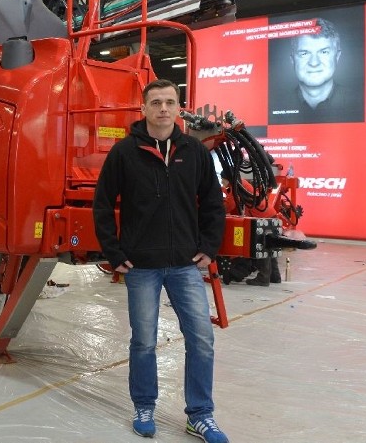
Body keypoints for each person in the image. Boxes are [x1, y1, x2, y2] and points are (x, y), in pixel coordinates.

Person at [93, 78, 229, 443]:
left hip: (185, 264)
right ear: (144, 108)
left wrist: (208, 246)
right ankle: (144, 406)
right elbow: (103, 205)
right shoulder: (124, 153)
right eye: (156, 102)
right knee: (144, 341)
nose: (163, 109)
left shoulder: (195, 152)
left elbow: (214, 204)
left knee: (201, 339)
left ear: (178, 107)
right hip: (142, 267)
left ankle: (199, 415)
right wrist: (114, 252)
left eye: (170, 102)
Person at [268, 17, 363, 124]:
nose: (314, 63)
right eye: (304, 53)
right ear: (292, 60)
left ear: (337, 56)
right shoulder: (272, 106)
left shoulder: (362, 103)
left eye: (324, 52)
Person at [220, 166, 281, 286]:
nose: (222, 182)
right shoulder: (241, 182)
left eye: (223, 179)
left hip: (261, 217)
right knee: (270, 246)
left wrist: (215, 210)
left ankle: (263, 279)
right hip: (269, 213)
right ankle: (274, 276)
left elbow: (230, 204)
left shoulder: (236, 185)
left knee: (261, 246)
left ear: (228, 178)